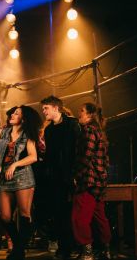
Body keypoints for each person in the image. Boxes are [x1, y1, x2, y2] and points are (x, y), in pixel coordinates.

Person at [0, 105, 42, 260]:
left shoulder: (27, 134)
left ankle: (18, 251)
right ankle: (19, 246)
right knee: (4, 216)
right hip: (5, 178)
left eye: (16, 114)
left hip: (23, 176)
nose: (12, 115)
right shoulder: (2, 131)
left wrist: (15, 164)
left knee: (24, 214)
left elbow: (33, 156)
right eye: (13, 113)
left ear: (23, 119)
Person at [40, 95, 81, 259]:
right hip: (55, 178)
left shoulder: (72, 124)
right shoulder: (49, 130)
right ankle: (64, 247)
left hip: (71, 175)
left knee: (72, 212)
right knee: (59, 212)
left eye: (46, 108)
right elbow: (50, 155)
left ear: (56, 108)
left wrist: (76, 173)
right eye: (43, 108)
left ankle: (77, 245)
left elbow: (78, 150)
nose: (43, 111)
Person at [71, 103, 111, 260]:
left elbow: (86, 156)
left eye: (81, 111)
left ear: (89, 115)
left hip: (88, 181)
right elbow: (104, 160)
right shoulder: (99, 132)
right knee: (100, 217)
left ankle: (87, 252)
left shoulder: (88, 130)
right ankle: (105, 250)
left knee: (78, 217)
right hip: (99, 182)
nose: (78, 114)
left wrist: (77, 175)